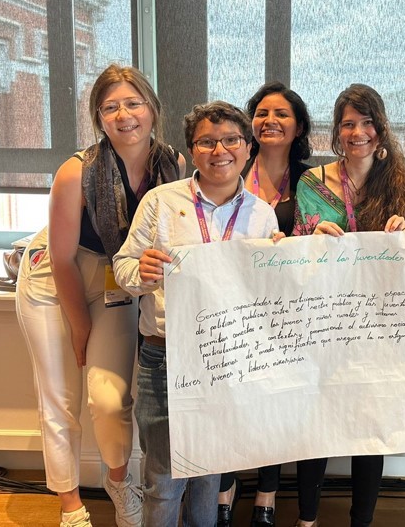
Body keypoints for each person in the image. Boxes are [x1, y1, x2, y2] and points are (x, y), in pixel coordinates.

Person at [16, 64, 185, 527]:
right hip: (54, 278)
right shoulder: (77, 172)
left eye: (133, 103)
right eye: (110, 107)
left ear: (152, 109)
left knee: (110, 400)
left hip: (116, 278)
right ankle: (70, 506)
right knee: (58, 398)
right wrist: (80, 327)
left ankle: (117, 480)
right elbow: (63, 257)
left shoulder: (173, 165)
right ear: (99, 118)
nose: (123, 115)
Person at [113, 101, 281, 527]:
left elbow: (265, 295)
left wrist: (279, 265)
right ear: (191, 151)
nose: (219, 150)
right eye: (206, 141)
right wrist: (143, 272)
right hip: (164, 356)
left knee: (208, 473)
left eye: (230, 140)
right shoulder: (160, 202)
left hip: (226, 361)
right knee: (163, 478)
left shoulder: (262, 215)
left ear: (247, 149)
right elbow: (123, 267)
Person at [291, 83, 405, 527]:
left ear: (380, 129)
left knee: (370, 427)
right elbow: (297, 253)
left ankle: (361, 520)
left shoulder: (400, 182)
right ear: (337, 132)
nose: (357, 132)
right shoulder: (312, 181)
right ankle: (307, 519)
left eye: (366, 122)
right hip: (323, 319)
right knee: (316, 423)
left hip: (378, 325)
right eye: (348, 124)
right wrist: (313, 235)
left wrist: (404, 231)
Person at [217, 82, 313, 527]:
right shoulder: (231, 170)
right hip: (232, 307)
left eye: (282, 114)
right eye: (261, 112)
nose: (270, 120)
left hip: (288, 312)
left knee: (274, 403)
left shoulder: (314, 181)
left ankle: (267, 497)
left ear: (298, 127)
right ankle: (224, 490)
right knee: (233, 402)